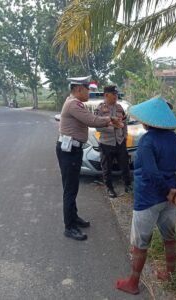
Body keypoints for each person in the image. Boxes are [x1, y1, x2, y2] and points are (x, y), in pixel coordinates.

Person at [115, 96, 176, 295]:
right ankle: (170, 273)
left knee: (141, 243)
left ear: (150, 120)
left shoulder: (147, 140)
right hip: (170, 199)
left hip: (148, 198)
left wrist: (168, 190)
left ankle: (133, 282)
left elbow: (149, 172)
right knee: (169, 236)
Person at [56, 76, 122, 241]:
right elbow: (92, 121)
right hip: (70, 150)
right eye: (87, 89)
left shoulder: (74, 102)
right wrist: (110, 120)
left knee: (72, 188)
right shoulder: (74, 104)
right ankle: (69, 227)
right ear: (79, 89)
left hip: (72, 149)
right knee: (70, 190)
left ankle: (74, 217)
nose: (89, 92)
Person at [94, 85, 131, 198]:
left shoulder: (120, 108)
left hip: (120, 142)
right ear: (106, 95)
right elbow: (97, 126)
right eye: (113, 94)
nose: (116, 96)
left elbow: (124, 124)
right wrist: (112, 126)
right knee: (107, 168)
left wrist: (124, 136)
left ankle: (128, 186)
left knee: (125, 166)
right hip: (106, 143)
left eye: (116, 94)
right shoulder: (100, 109)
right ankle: (110, 188)